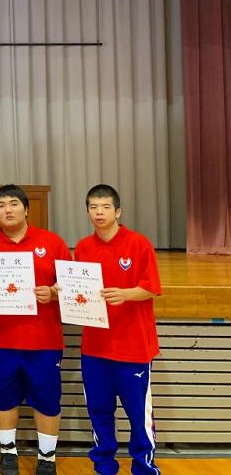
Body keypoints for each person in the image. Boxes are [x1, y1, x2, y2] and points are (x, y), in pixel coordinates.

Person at [0, 184, 71, 475]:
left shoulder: (52, 242)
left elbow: (71, 283)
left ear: (26, 209)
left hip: (44, 340)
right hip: (1, 340)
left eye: (14, 203)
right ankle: (8, 452)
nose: (8, 210)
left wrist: (53, 292)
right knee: (4, 398)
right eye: (1, 205)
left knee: (47, 400)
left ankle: (47, 457)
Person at [74, 184, 161, 475]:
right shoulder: (83, 247)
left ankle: (144, 466)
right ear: (88, 212)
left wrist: (126, 294)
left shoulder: (139, 244)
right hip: (95, 347)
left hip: (132, 347)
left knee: (138, 414)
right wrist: (67, 291)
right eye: (93, 207)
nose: (99, 212)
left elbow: (151, 288)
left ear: (118, 212)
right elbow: (80, 290)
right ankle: (104, 465)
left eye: (105, 207)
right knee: (99, 411)